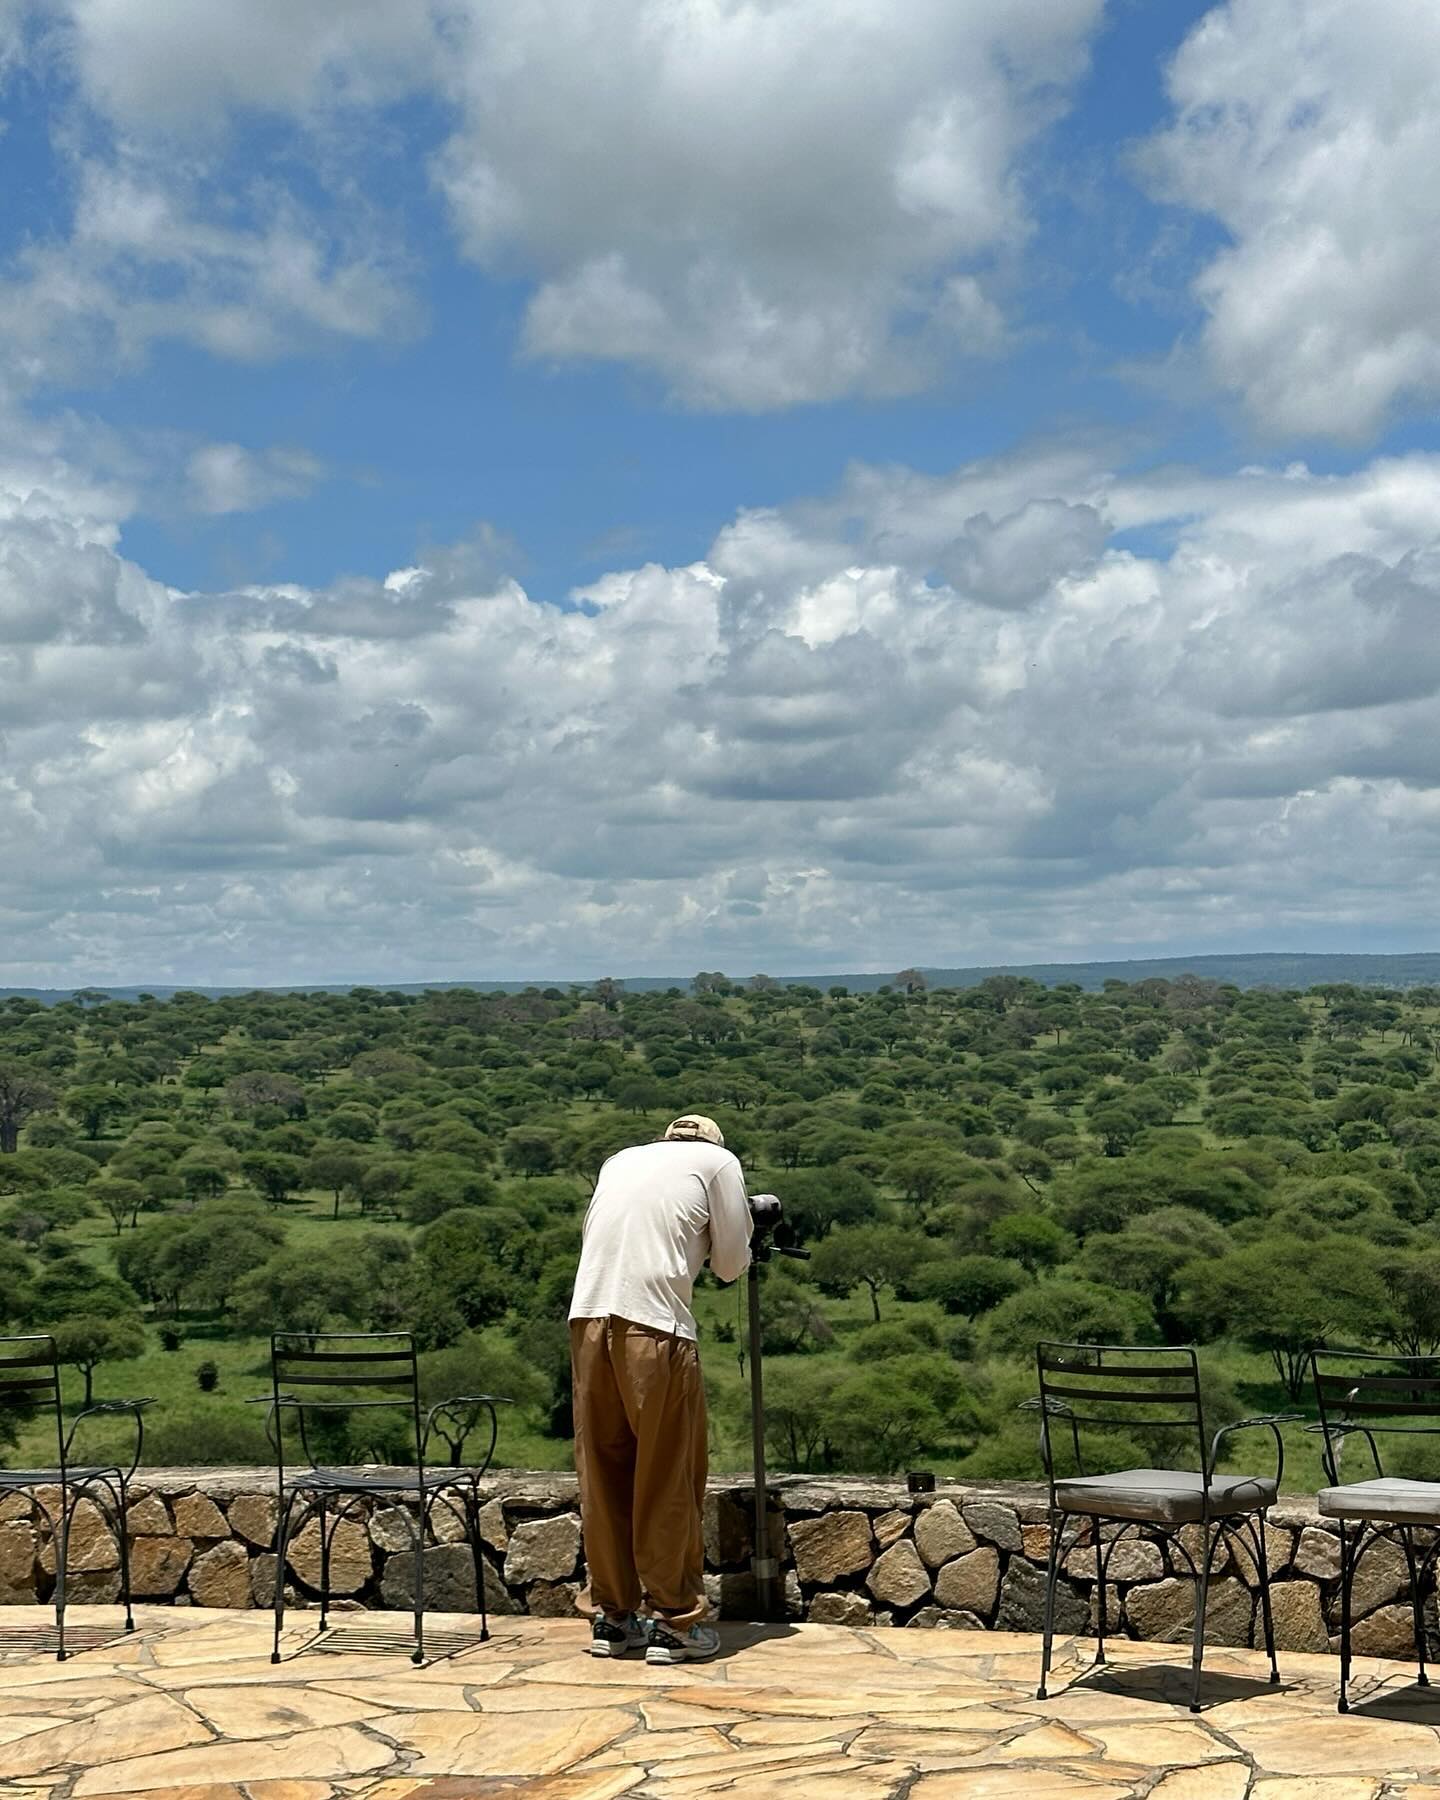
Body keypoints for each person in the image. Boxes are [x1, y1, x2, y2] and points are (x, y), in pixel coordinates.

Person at [569, 1112, 753, 1663]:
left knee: (602, 1473)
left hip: (586, 1320)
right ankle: (676, 1621)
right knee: (668, 1472)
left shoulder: (621, 1159)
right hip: (656, 1328)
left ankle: (614, 1616)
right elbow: (729, 1263)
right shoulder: (719, 1162)